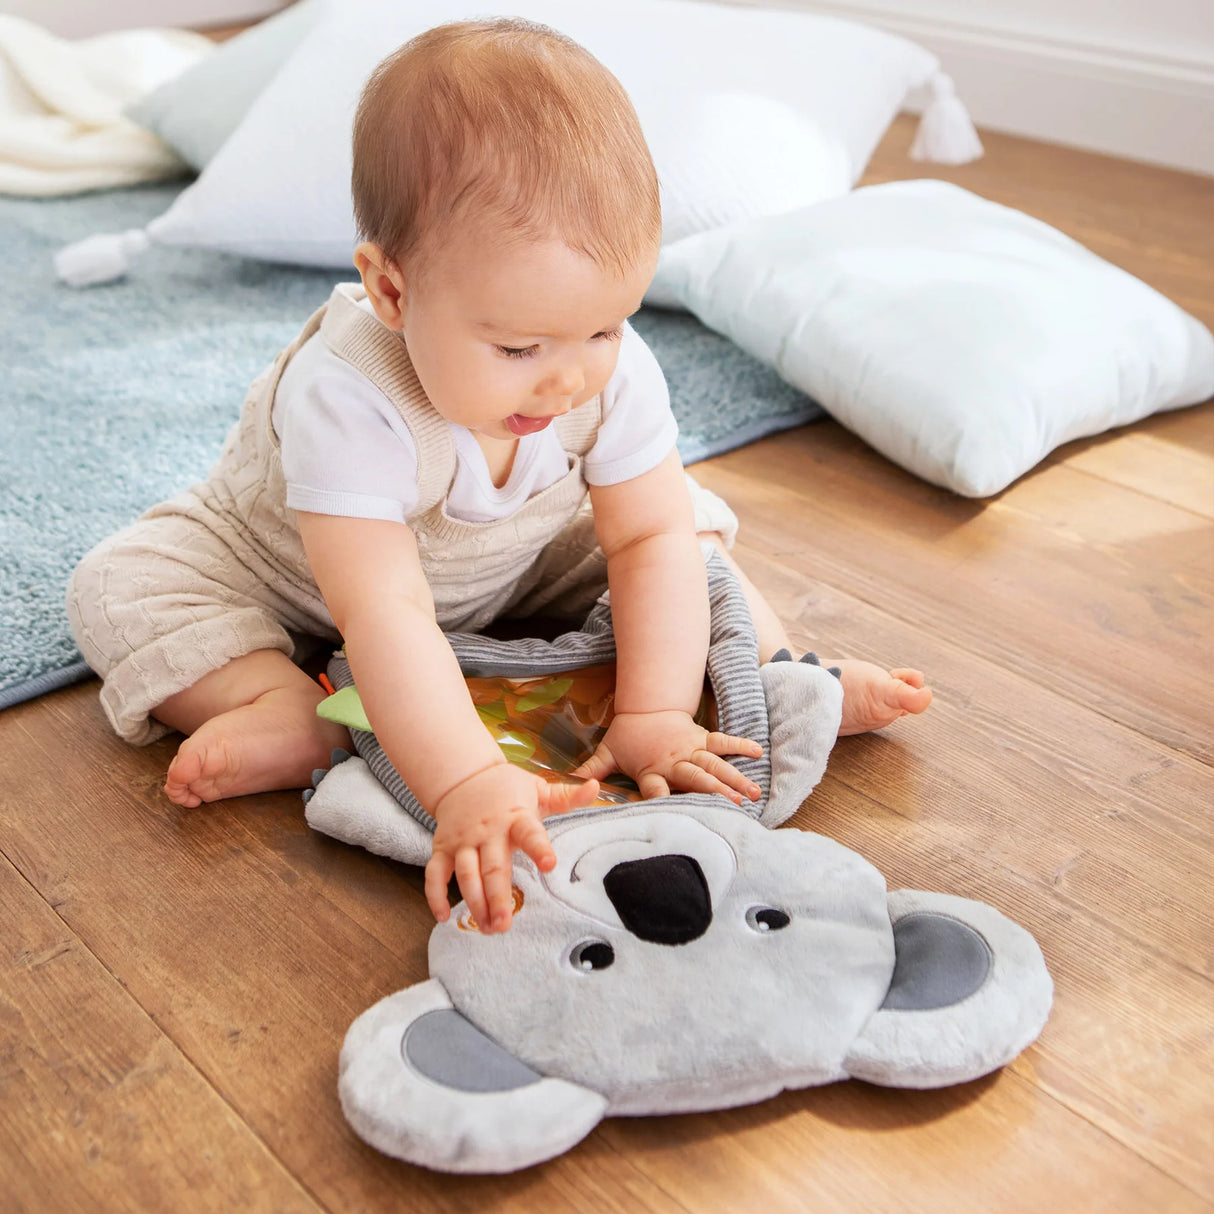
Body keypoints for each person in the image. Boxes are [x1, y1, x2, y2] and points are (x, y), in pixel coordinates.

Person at [67, 18, 930, 936]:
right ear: (394, 292)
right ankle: (280, 702)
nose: (569, 378)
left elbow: (645, 539)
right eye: (519, 345)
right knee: (118, 587)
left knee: (692, 536)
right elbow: (384, 611)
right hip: (296, 570)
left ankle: (769, 678)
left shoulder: (610, 369)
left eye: (604, 328)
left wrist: (650, 714)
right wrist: (469, 781)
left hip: (521, 551)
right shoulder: (348, 394)